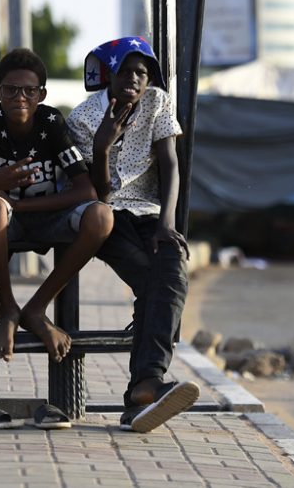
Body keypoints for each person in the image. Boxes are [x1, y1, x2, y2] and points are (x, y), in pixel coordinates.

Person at [67, 36, 200, 433]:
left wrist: (167, 224)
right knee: (153, 284)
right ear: (109, 73)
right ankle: (143, 387)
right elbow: (96, 192)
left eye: (141, 72)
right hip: (104, 213)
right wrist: (103, 146)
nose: (134, 79)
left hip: (151, 213)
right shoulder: (84, 118)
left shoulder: (158, 103)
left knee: (172, 274)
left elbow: (171, 166)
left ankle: (144, 387)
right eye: (125, 70)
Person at [0, 48, 114, 365]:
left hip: (43, 215)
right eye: (10, 90)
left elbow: (86, 190)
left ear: (41, 94)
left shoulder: (51, 122)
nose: (19, 97)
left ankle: (36, 307)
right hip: (3, 219)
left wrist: (21, 206)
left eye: (29, 91)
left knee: (102, 217)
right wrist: (0, 180)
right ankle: (8, 309)